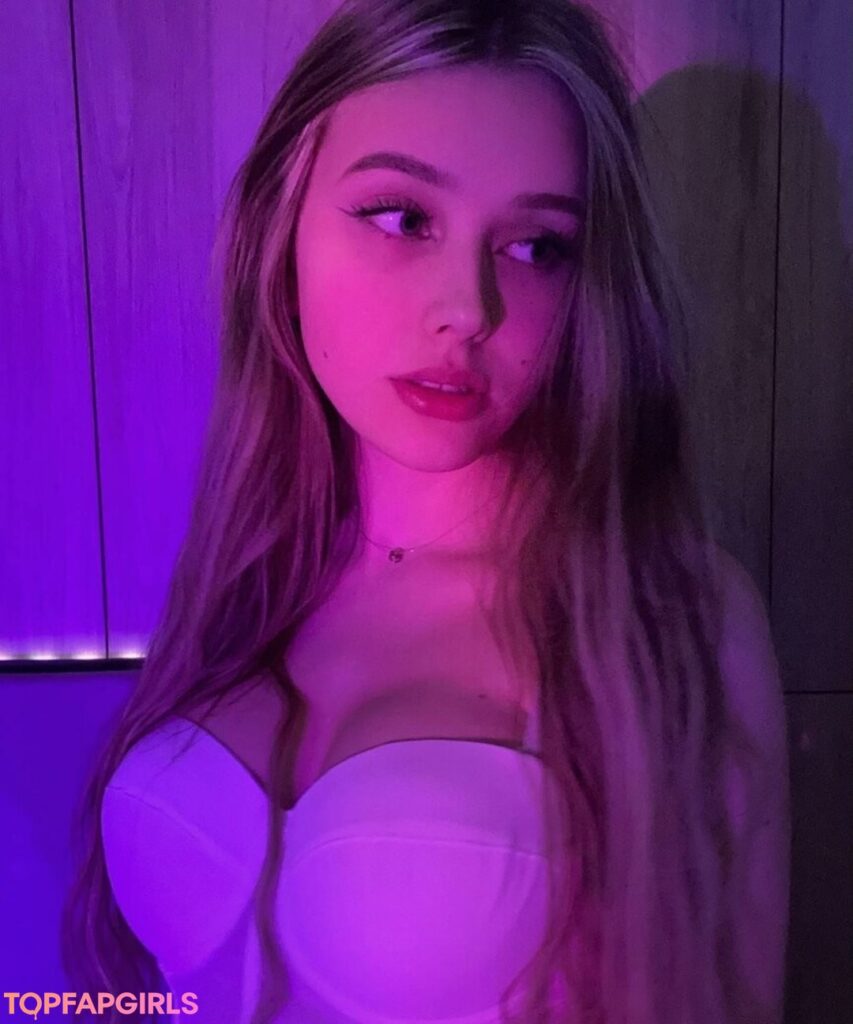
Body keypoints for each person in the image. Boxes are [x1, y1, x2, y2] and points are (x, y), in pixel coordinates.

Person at [61, 1, 790, 1022]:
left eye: (535, 247)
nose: (468, 310)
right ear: (283, 219)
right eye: (401, 218)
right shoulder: (248, 567)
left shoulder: (660, 615)